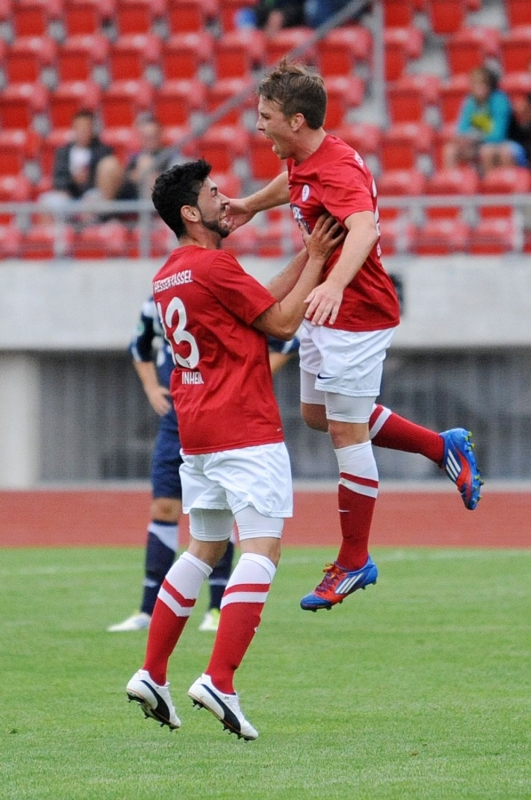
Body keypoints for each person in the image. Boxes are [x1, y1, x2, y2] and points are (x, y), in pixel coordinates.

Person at [226, 60, 483, 614]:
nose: (259, 126)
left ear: (296, 120)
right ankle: (441, 446)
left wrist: (335, 284)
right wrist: (248, 205)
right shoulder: (304, 157)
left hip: (357, 313)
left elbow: (364, 227)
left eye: (266, 116)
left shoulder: (338, 167)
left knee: (346, 430)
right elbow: (294, 183)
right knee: (318, 416)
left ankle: (353, 560)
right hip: (327, 311)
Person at [126, 159, 343, 739]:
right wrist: (319, 262)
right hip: (243, 427)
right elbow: (281, 322)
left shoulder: (171, 274)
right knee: (262, 549)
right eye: (214, 193)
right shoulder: (215, 265)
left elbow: (254, 301)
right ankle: (219, 679)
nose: (226, 199)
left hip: (197, 432)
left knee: (203, 548)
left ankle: (152, 672)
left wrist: (306, 255)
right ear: (191, 213)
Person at [108, 296, 299, 634]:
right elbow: (139, 346)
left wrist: (243, 384)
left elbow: (286, 342)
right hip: (176, 421)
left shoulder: (220, 295)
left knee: (220, 511)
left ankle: (217, 607)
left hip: (222, 420)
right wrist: (152, 388)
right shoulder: (158, 301)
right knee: (164, 507)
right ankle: (148, 610)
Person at [39, 108, 126, 213]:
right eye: (79, 128)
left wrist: (88, 179)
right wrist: (73, 180)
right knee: (46, 202)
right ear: (74, 129)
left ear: (92, 129)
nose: (83, 132)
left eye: (86, 128)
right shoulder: (63, 152)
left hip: (93, 193)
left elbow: (107, 183)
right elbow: (58, 180)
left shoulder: (103, 151)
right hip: (69, 194)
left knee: (91, 200)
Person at [443, 66, 512, 174]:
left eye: (483, 83)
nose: (479, 87)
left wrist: (476, 139)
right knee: (450, 150)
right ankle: (453, 180)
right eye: (475, 83)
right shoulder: (470, 101)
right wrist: (464, 139)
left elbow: (499, 134)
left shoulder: (499, 100)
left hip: (497, 143)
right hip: (475, 143)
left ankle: (491, 182)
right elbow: (462, 128)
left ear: (490, 85)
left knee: (487, 151)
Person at [479, 91, 531, 170]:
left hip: (523, 152)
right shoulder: (513, 116)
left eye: (529, 109)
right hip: (513, 145)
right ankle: (492, 178)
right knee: (488, 150)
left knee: (506, 152)